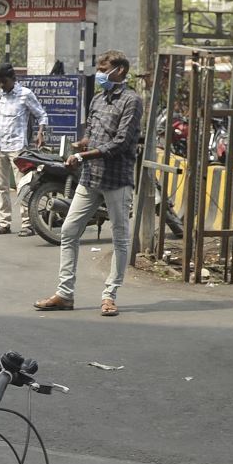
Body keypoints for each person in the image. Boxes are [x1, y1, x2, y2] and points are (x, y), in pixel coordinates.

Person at [34, 49, 142, 317]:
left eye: (104, 69)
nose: (100, 74)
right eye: (100, 68)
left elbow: (120, 142)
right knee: (69, 231)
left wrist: (83, 153)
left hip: (117, 178)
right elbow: (92, 133)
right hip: (90, 176)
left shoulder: (131, 101)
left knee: (119, 237)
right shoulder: (97, 99)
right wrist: (80, 145)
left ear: (120, 71)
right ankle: (65, 293)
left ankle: (109, 295)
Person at [0, 63, 45, 236]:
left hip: (17, 147)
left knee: (23, 186)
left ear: (13, 79)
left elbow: (41, 114)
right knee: (1, 186)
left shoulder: (25, 94)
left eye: (4, 82)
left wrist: (40, 133)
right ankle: (4, 223)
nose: (2, 85)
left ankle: (28, 224)